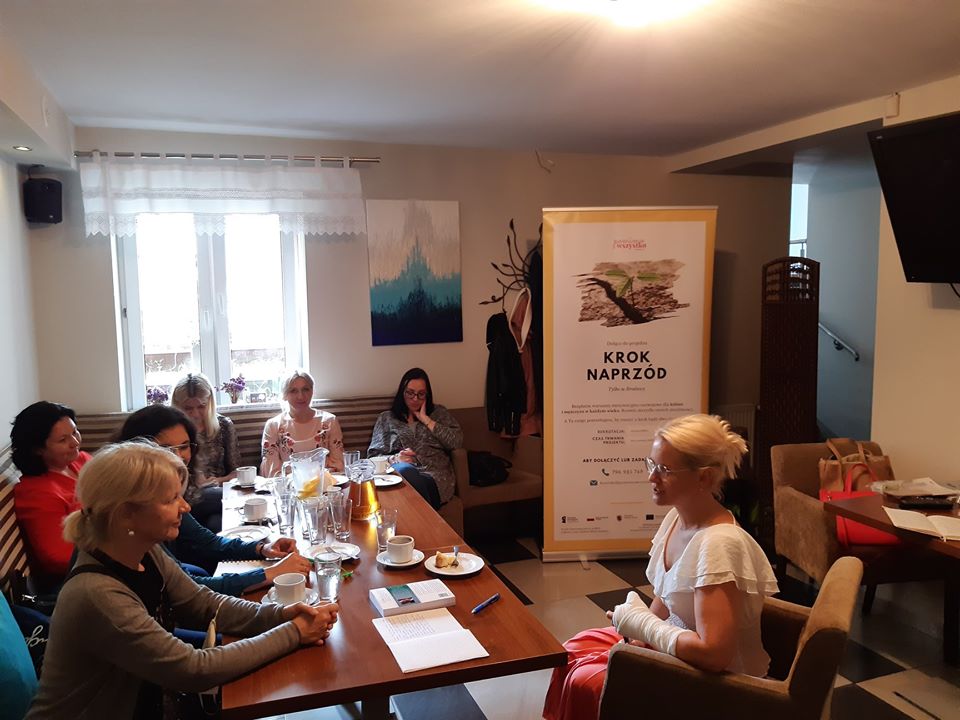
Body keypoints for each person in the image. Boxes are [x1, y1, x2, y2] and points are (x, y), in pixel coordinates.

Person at [25, 441, 338, 720]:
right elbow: (193, 670)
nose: (185, 507)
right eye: (170, 499)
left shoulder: (143, 549)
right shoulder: (97, 594)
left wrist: (281, 615)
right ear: (125, 514)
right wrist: (294, 632)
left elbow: (202, 603)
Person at [542, 414, 778, 720]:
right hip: (676, 649)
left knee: (585, 681)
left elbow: (715, 655)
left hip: (715, 682)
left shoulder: (718, 544)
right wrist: (640, 634)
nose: (651, 478)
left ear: (704, 478)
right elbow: (667, 596)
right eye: (651, 464)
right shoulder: (677, 517)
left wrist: (644, 627)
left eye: (664, 470)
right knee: (572, 650)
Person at [118, 405, 313, 595]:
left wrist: (262, 549)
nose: (178, 457)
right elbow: (189, 589)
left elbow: (207, 542)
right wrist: (269, 573)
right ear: (137, 451)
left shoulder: (167, 493)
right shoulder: (136, 510)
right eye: (166, 449)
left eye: (184, 446)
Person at [10, 401, 91, 592]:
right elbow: (59, 559)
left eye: (75, 431)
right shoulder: (36, 493)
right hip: (75, 577)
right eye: (63, 440)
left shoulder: (79, 460)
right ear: (38, 449)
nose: (75, 442)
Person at [368, 367, 463, 510]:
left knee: (410, 477)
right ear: (402, 392)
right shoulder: (386, 419)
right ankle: (426, 518)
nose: (415, 399)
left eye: (421, 394)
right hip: (399, 475)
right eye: (410, 393)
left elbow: (457, 442)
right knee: (405, 470)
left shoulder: (439, 414)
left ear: (427, 395)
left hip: (435, 478)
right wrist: (395, 459)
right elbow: (372, 458)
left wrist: (427, 420)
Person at [171, 372, 240, 531]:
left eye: (201, 406)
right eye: (188, 408)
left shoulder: (223, 425)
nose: (195, 414)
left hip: (216, 490)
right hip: (184, 495)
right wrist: (193, 481)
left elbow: (237, 472)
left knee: (216, 522)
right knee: (227, 499)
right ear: (177, 405)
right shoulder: (174, 431)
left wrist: (217, 481)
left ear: (210, 403)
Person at [260, 369, 345, 478]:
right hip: (287, 486)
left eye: (305, 389)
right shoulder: (273, 426)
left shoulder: (329, 421)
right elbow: (271, 472)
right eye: (293, 391)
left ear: (312, 391)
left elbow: (339, 465)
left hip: (324, 484)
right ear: (285, 395)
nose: (301, 396)